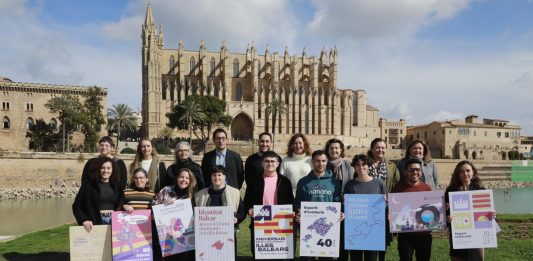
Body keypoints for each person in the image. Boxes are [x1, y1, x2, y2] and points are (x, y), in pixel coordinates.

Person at [243, 150, 294, 258]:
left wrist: (291, 212)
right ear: (262, 163)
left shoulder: (285, 182)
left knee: (279, 254)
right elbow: (247, 201)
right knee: (260, 254)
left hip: (279, 222)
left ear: (277, 163)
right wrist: (249, 210)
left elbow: (290, 201)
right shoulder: (254, 181)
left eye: (272, 161)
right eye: (266, 161)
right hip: (260, 221)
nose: (270, 164)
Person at [295, 150, 343, 261]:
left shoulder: (334, 182)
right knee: (307, 258)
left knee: (325, 258)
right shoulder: (303, 182)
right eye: (317, 161)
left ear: (327, 162)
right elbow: (298, 201)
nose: (320, 164)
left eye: (323, 161)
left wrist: (339, 214)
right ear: (312, 162)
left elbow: (337, 202)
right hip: (308, 227)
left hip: (328, 227)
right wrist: (298, 214)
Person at [445, 161, 495, 261]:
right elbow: (446, 215)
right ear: (458, 174)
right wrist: (447, 216)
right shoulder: (450, 190)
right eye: (462, 171)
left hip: (477, 235)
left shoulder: (481, 190)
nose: (465, 174)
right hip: (458, 234)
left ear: (473, 173)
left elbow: (487, 214)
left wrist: (492, 215)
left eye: (468, 171)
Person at [344, 154, 386, 261]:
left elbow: (385, 204)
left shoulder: (379, 183)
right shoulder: (350, 185)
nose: (361, 167)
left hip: (373, 230)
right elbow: (346, 207)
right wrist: (345, 204)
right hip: (355, 229)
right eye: (358, 165)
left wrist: (385, 202)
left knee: (371, 258)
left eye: (364, 164)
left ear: (369, 166)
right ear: (354, 166)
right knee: (355, 258)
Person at [195, 166, 245, 255]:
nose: (216, 177)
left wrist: (236, 218)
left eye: (219, 175)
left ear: (224, 176)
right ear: (211, 177)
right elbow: (194, 215)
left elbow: (242, 211)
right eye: (214, 175)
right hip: (206, 235)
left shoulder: (235, 193)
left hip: (228, 234)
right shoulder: (199, 195)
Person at [391, 158, 433, 261]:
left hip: (424, 234)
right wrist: (391, 215)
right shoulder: (397, 189)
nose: (415, 172)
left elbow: (431, 210)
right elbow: (393, 210)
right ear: (405, 172)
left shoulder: (427, 188)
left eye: (417, 170)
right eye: (411, 170)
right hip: (405, 235)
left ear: (421, 172)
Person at [153, 168, 197, 261]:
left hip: (185, 236)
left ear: (190, 181)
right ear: (177, 178)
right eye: (181, 177)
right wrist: (163, 204)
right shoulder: (166, 190)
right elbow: (154, 206)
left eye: (187, 178)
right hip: (167, 236)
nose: (184, 180)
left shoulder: (193, 195)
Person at [73, 157, 124, 232]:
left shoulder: (117, 187)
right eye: (102, 168)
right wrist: (84, 220)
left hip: (114, 222)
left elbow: (122, 203)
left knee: (112, 244)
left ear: (112, 170)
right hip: (95, 222)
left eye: (108, 168)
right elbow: (76, 206)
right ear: (98, 169)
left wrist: (125, 205)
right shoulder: (88, 186)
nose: (105, 171)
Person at [367, 138, 399, 261]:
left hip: (385, 208)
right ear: (372, 149)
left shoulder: (391, 166)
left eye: (383, 147)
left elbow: (396, 185)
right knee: (368, 236)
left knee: (383, 239)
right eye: (377, 147)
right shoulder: (365, 164)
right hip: (368, 207)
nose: (380, 150)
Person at [324, 138, 353, 261]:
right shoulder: (324, 164)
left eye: (336, 148)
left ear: (341, 150)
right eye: (331, 148)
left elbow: (351, 183)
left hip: (343, 204)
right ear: (328, 150)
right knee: (327, 233)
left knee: (342, 236)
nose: (334, 150)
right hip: (328, 204)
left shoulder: (347, 165)